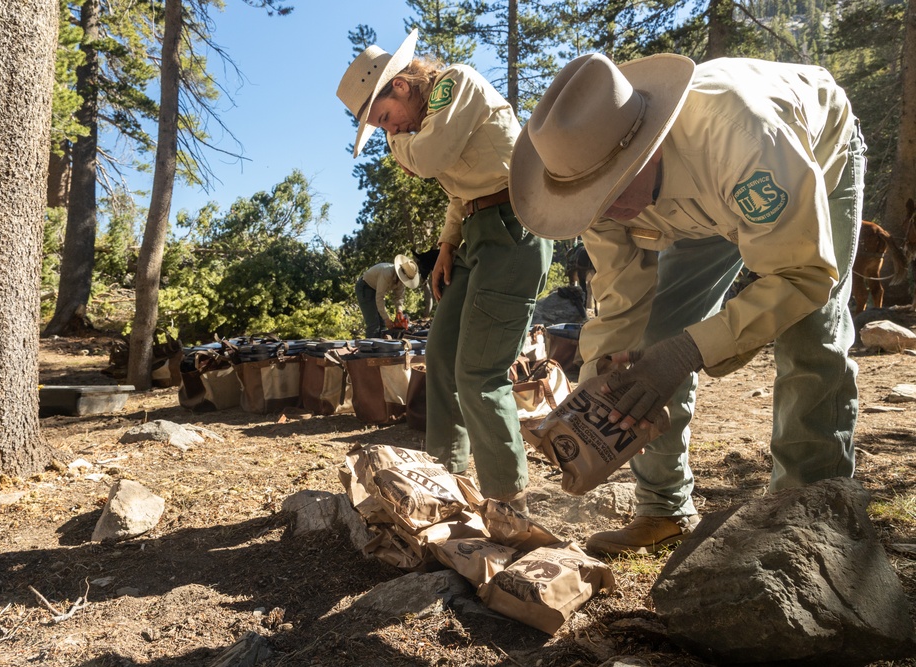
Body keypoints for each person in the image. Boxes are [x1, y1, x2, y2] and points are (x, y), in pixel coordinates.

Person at [509, 53, 864, 554]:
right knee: (652, 338)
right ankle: (663, 509)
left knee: (811, 338)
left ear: (647, 145)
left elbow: (801, 275)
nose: (603, 212)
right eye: (591, 200)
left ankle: (807, 520)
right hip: (695, 207)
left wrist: (684, 354)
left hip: (814, 167)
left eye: (610, 192)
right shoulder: (587, 177)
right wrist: (594, 396)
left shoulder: (741, 137)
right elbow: (620, 298)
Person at [337, 30, 553, 508]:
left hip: (515, 230)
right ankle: (446, 479)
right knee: (439, 357)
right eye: (383, 128)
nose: (390, 131)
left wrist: (398, 146)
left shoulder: (457, 83)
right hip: (479, 232)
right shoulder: (428, 121)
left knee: (479, 373)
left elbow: (431, 159)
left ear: (399, 87)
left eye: (386, 120)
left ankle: (507, 501)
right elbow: (459, 190)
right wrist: (448, 244)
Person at [356, 254, 420, 338]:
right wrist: (387, 318)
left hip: (376, 290)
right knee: (374, 324)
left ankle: (381, 347)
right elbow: (380, 297)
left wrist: (399, 311)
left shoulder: (401, 281)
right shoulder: (387, 273)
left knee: (383, 325)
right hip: (365, 287)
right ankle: (370, 349)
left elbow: (399, 297)